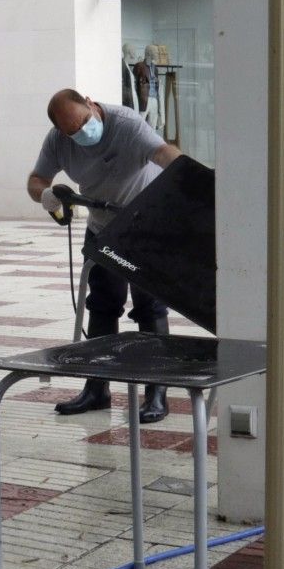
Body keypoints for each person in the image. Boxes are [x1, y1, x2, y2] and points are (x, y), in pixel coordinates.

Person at [30, 88, 183, 423]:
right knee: (101, 306)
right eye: (72, 131)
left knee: (150, 307)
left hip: (146, 224)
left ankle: (157, 391)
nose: (82, 132)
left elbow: (161, 152)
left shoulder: (127, 124)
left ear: (90, 103)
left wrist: (189, 178)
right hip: (103, 229)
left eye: (84, 122)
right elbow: (37, 178)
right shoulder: (57, 141)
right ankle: (96, 388)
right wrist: (45, 196)